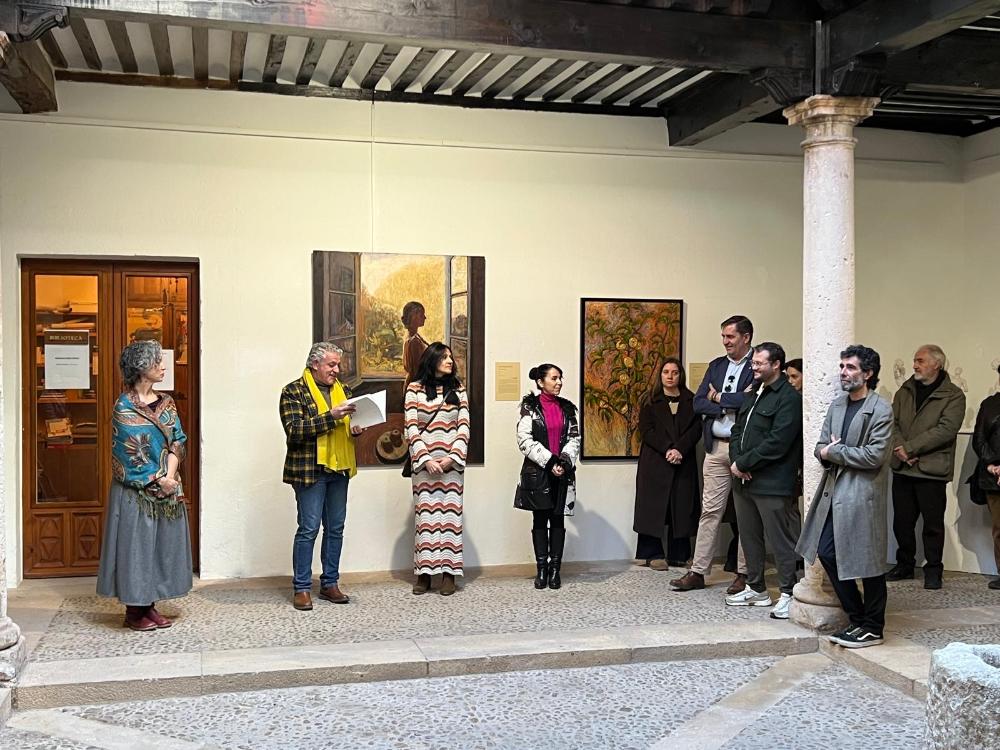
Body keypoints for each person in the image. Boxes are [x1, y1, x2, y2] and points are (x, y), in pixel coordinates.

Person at [798, 345, 893, 648]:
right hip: (833, 491)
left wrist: (834, 451)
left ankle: (873, 627)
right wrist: (828, 452)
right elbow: (820, 447)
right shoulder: (837, 406)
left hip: (863, 494)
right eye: (842, 366)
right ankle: (857, 617)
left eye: (851, 367)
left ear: (868, 373)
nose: (843, 372)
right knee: (826, 551)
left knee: (869, 561)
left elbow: (874, 456)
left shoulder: (881, 409)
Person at [97, 341, 192, 631]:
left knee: (160, 548)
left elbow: (178, 439)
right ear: (141, 367)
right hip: (135, 492)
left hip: (167, 489)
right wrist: (157, 480)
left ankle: (149, 606)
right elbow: (128, 454)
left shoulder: (167, 402)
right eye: (157, 362)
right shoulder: (124, 407)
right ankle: (134, 611)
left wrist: (170, 477)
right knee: (136, 550)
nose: (163, 366)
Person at [280, 342, 364, 611]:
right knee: (309, 529)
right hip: (310, 470)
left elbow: (346, 427)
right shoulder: (293, 391)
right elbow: (294, 430)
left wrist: (356, 429)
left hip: (339, 468)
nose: (337, 370)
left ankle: (330, 583)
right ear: (314, 364)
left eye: (338, 364)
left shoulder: (345, 392)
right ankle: (302, 588)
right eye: (331, 364)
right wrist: (331, 416)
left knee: (336, 528)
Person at [671, 315, 752, 594]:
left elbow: (751, 401)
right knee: (710, 510)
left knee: (745, 514)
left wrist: (718, 397)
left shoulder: (756, 365)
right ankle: (698, 571)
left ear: (746, 337)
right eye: (723, 337)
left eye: (730, 337)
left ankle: (744, 573)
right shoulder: (716, 366)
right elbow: (698, 402)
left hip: (744, 449)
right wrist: (726, 405)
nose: (725, 342)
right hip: (716, 447)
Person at [726, 342, 802, 619]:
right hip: (743, 480)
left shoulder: (789, 398)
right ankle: (756, 587)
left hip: (772, 482)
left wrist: (744, 463)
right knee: (749, 537)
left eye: (759, 363)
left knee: (780, 540)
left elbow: (778, 442)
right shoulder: (754, 392)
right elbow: (737, 430)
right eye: (753, 363)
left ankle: (789, 592)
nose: (753, 367)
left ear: (776, 365)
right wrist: (737, 461)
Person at [887, 345, 965, 589]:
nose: (915, 365)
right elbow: (891, 423)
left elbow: (946, 429)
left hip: (931, 471)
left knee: (932, 525)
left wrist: (910, 449)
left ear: (936, 364)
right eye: (915, 360)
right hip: (903, 467)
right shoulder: (904, 391)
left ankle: (933, 570)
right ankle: (904, 565)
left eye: (920, 360)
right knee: (902, 522)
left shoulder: (953, 396)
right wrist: (901, 449)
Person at [405, 342, 470, 596]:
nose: (450, 360)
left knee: (450, 520)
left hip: (452, 467)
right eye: (444, 357)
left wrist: (451, 457)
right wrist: (425, 459)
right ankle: (424, 574)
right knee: (426, 521)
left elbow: (464, 426)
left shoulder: (459, 389)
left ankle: (449, 574)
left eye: (451, 357)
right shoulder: (414, 389)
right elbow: (411, 427)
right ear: (431, 360)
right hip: (424, 467)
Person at [515, 363, 581, 590]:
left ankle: (555, 570)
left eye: (560, 378)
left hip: (562, 473)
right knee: (540, 520)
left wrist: (563, 461)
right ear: (540, 382)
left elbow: (574, 438)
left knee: (558, 520)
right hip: (538, 474)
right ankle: (541, 569)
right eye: (554, 378)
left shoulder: (568, 408)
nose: (559, 382)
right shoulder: (529, 407)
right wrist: (550, 462)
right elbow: (524, 440)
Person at [633, 359, 701, 571]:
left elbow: (696, 429)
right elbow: (647, 431)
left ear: (681, 375)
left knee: (681, 507)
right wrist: (668, 449)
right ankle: (651, 553)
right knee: (652, 507)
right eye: (665, 372)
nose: (670, 376)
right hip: (655, 461)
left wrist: (679, 449)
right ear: (660, 375)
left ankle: (680, 555)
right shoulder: (649, 400)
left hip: (683, 459)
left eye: (675, 372)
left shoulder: (692, 400)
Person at [971, 364, 1000, 590]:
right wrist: (992, 466)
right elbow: (979, 440)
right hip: (994, 476)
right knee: (999, 529)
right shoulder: (989, 405)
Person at [401, 301, 428, 389]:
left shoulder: (415, 337)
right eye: (422, 315)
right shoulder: (414, 342)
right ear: (414, 317)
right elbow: (417, 370)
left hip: (414, 383)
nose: (425, 317)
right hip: (415, 385)